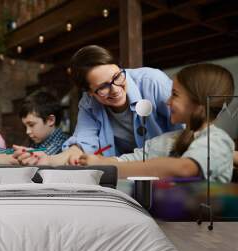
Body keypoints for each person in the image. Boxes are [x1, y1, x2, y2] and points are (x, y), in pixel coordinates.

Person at [13, 45, 180, 165]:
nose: (115, 90)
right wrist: (49, 160)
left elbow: (187, 131)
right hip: (123, 173)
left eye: (117, 77)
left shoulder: (153, 82)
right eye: (103, 87)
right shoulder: (88, 104)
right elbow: (81, 146)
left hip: (170, 167)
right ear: (90, 92)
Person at [79, 63, 235, 183]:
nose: (167, 101)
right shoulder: (168, 140)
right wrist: (98, 161)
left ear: (197, 102)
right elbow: (134, 158)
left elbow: (184, 169)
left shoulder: (217, 140)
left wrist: (108, 168)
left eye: (174, 94)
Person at [12, 91, 69, 165]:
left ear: (50, 120)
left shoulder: (64, 144)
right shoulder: (34, 141)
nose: (27, 131)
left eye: (31, 125)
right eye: (25, 126)